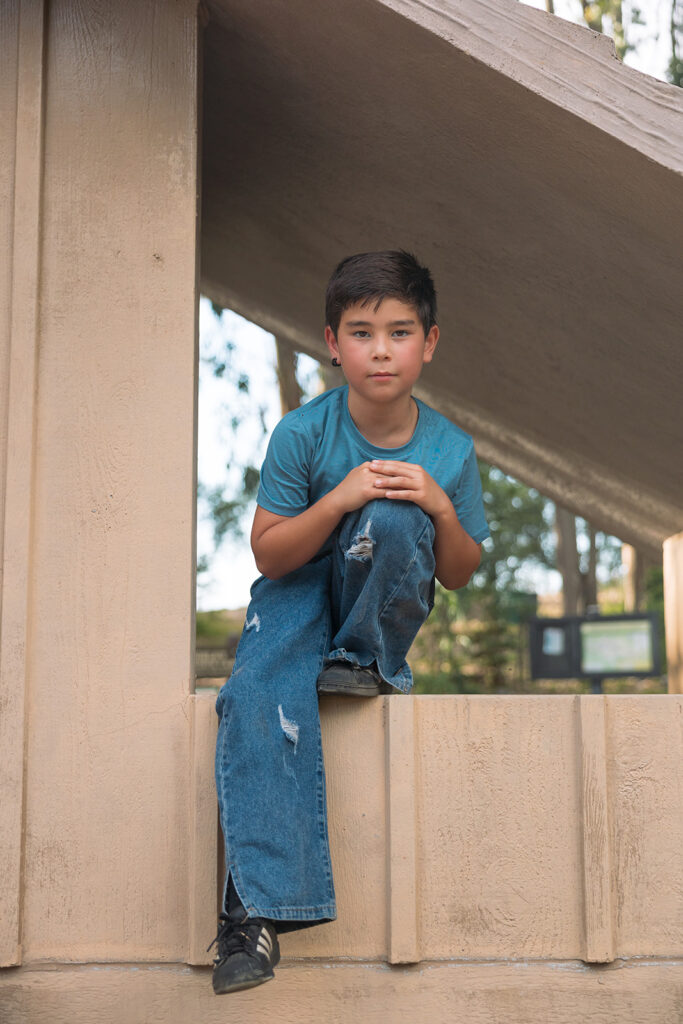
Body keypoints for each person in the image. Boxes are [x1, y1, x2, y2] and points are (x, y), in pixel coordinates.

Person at [208, 250, 490, 995]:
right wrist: (336, 500)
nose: (380, 349)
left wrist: (434, 502)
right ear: (331, 343)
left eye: (399, 332)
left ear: (428, 342)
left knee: (395, 514)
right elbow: (269, 556)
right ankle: (255, 919)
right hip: (297, 593)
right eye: (361, 332)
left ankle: (363, 660)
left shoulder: (450, 450)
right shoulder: (303, 434)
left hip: (377, 608)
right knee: (254, 696)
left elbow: (458, 570)